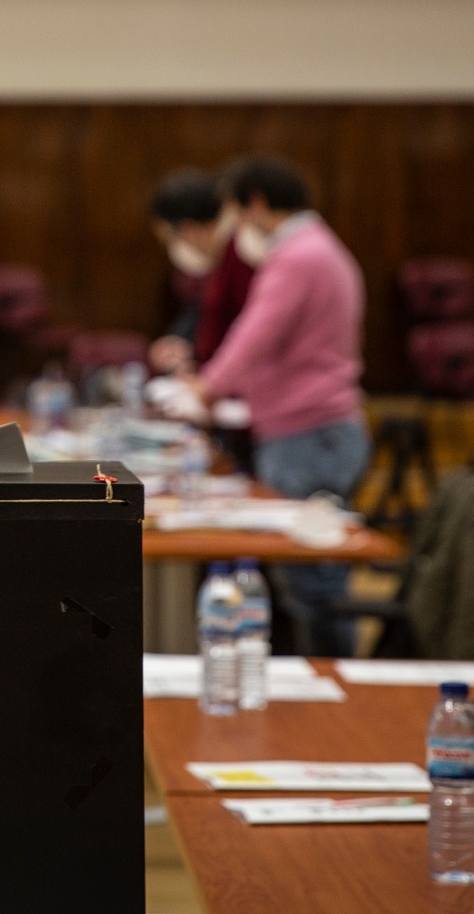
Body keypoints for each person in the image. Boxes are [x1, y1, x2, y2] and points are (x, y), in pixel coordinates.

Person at [191, 156, 367, 656]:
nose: (238, 231)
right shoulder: (321, 248)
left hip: (308, 433)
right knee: (313, 582)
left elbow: (256, 334)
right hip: (316, 427)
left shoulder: (297, 256)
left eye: (239, 215)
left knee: (315, 584)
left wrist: (206, 389)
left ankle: (336, 688)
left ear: (259, 204)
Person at [146, 167, 263, 376]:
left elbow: (248, 333)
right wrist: (179, 343)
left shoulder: (243, 256)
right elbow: (201, 314)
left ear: (190, 229)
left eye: (170, 238)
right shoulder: (219, 260)